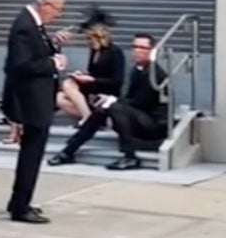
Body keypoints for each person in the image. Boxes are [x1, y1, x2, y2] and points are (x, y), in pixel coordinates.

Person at [1, 0, 72, 224]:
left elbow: (35, 53)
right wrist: (54, 64)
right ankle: (20, 207)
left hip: (37, 100)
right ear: (44, 4)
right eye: (57, 8)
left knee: (32, 153)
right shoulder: (25, 26)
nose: (58, 14)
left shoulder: (33, 25)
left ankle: (19, 201)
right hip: (31, 101)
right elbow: (21, 65)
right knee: (31, 154)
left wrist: (54, 44)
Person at [48, 33, 168, 170]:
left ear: (152, 51)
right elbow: (132, 101)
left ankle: (130, 156)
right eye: (134, 47)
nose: (137, 51)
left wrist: (113, 100)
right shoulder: (138, 70)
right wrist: (109, 101)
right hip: (139, 116)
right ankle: (69, 150)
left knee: (112, 106)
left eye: (142, 48)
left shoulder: (155, 74)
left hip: (153, 124)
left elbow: (141, 102)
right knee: (102, 109)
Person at [56, 5, 125, 124]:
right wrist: (82, 76)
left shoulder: (115, 52)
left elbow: (117, 80)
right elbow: (92, 73)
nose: (87, 40)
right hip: (92, 91)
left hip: (106, 94)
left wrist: (93, 79)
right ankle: (91, 118)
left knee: (68, 84)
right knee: (59, 97)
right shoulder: (94, 51)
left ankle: (88, 117)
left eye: (89, 38)